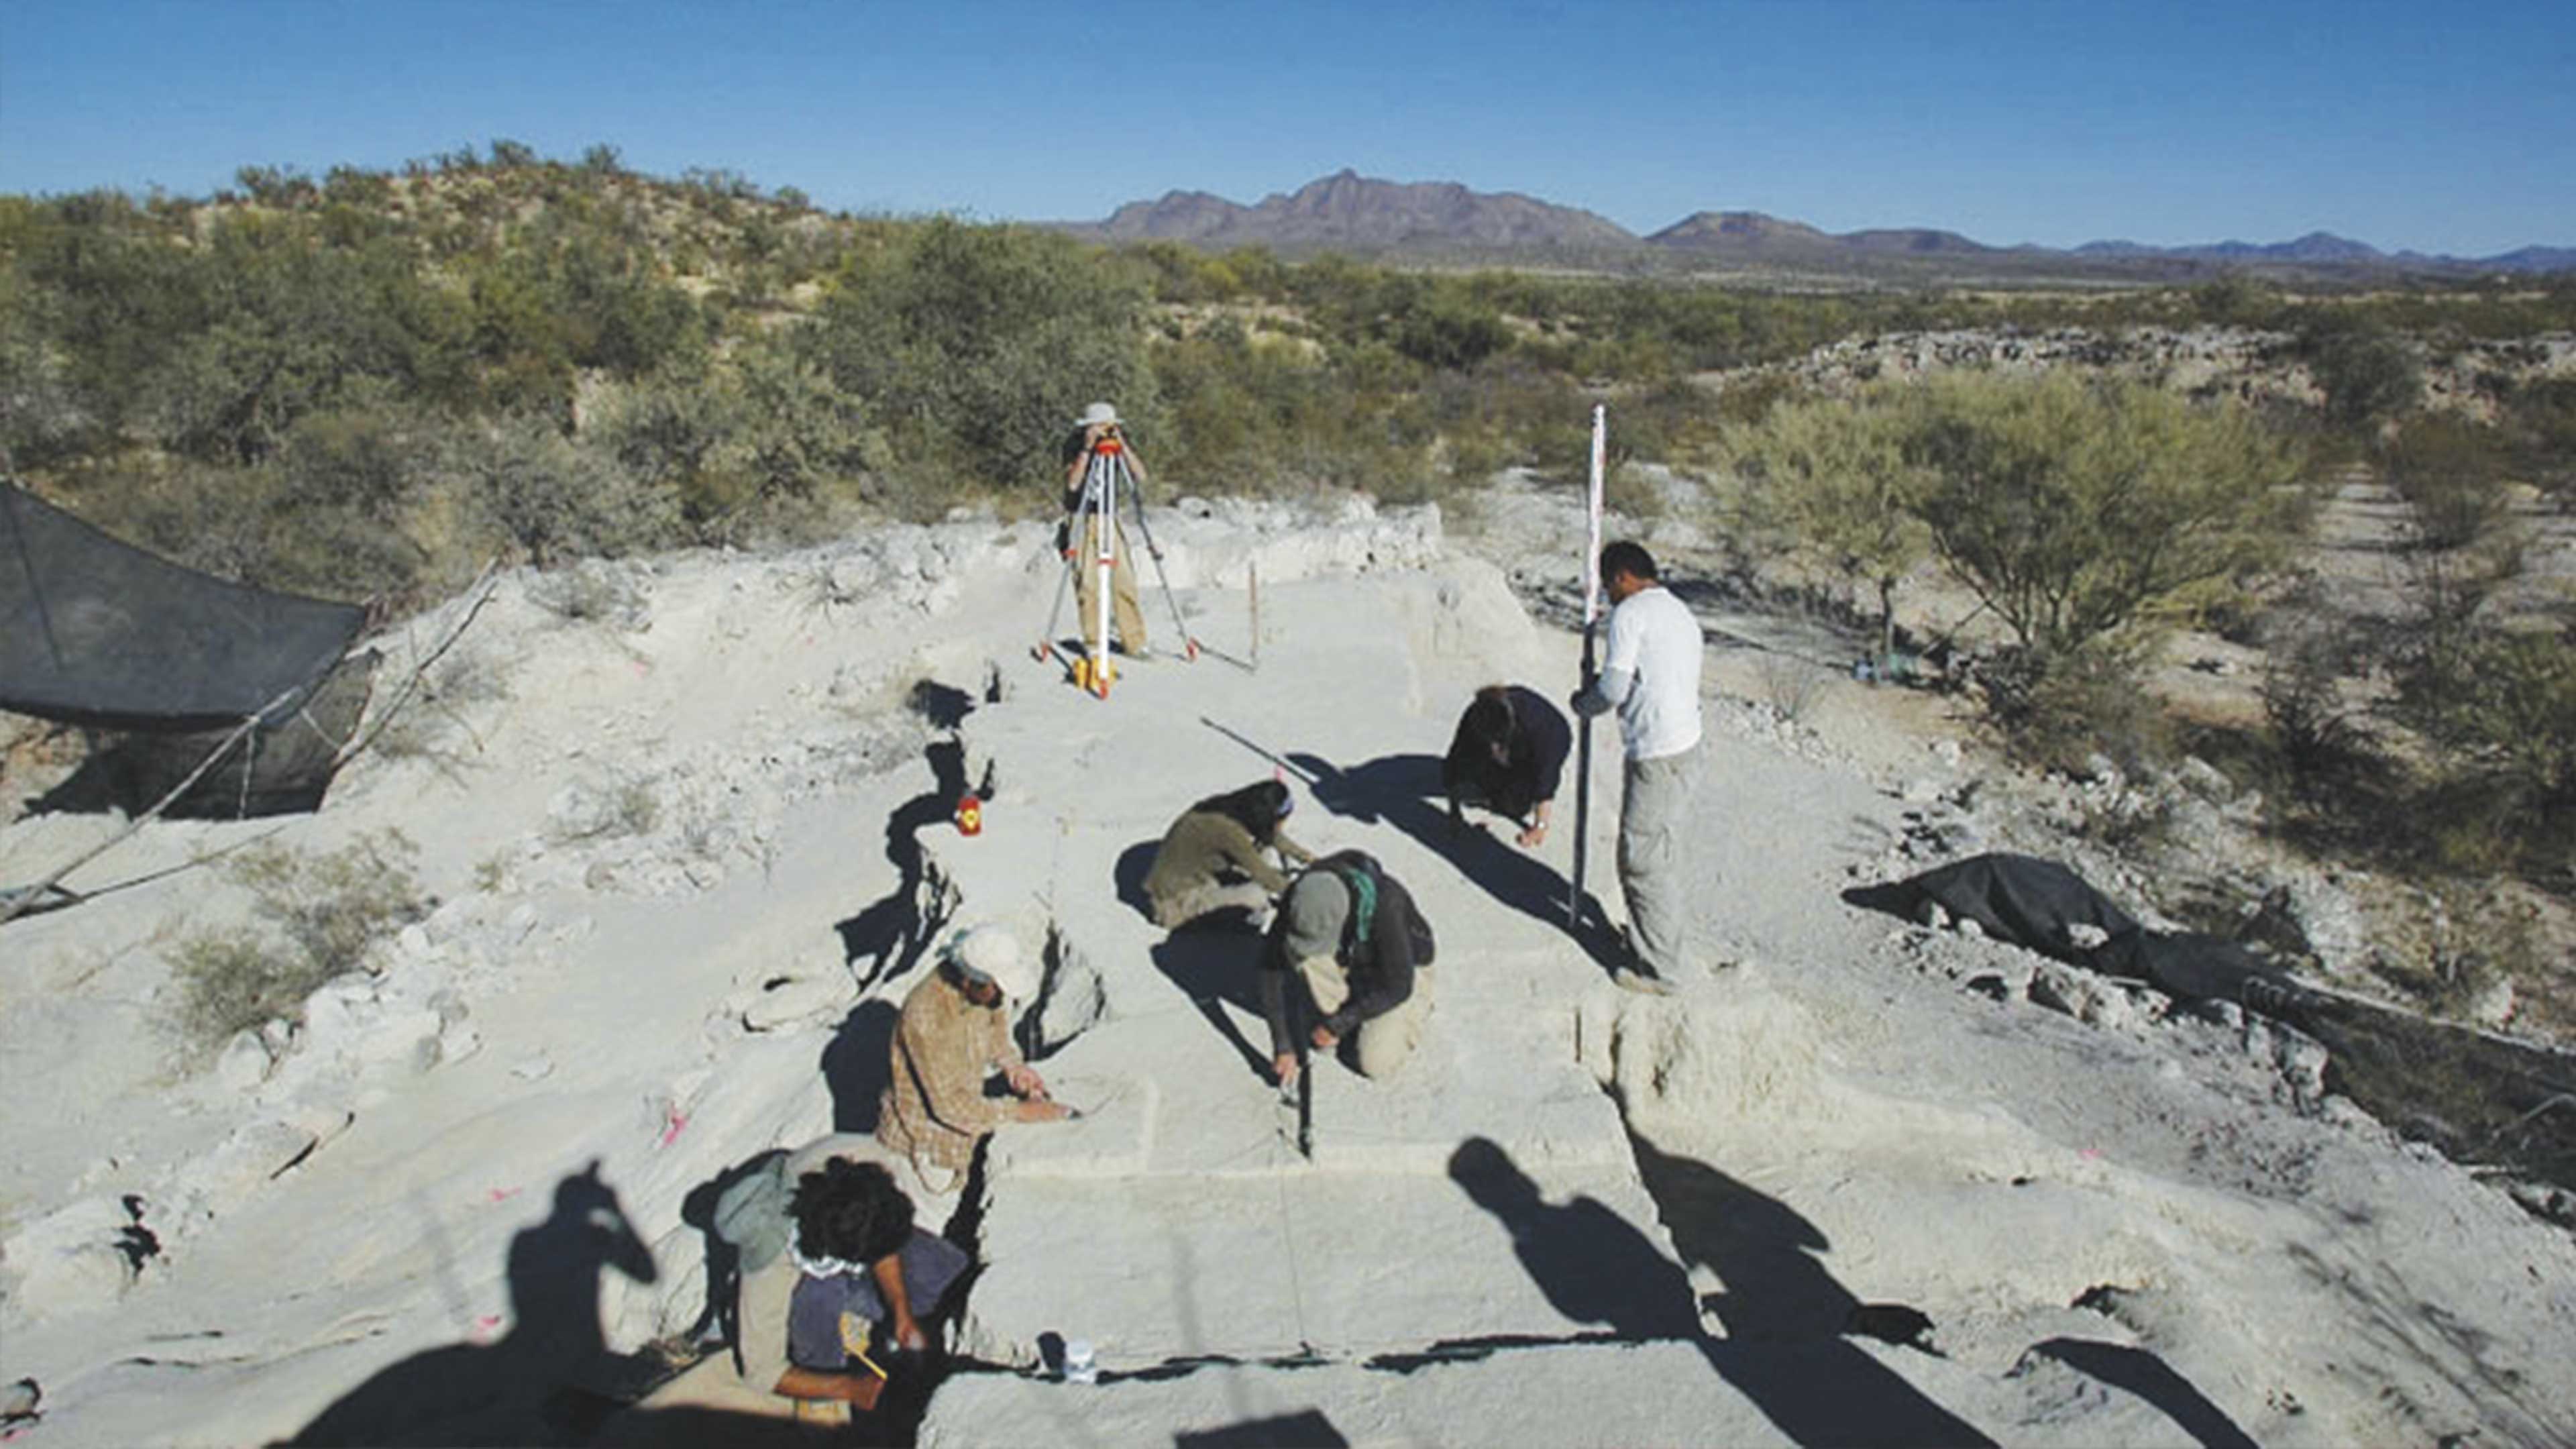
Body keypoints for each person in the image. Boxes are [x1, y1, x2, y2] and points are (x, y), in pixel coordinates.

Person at [1570, 541, 1704, 993]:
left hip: (1658, 753)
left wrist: (1583, 703)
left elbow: (1612, 689)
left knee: (1642, 861)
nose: (1608, 596)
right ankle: (1656, 940)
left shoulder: (1632, 614)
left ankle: (1662, 970)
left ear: (1624, 577)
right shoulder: (1679, 612)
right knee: (1660, 854)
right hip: (1686, 746)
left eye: (1609, 586)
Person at [877, 926, 1069, 1190]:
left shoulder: (987, 995)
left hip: (962, 1129)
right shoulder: (926, 1015)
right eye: (997, 990)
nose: (1001, 998)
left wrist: (1014, 1068)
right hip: (922, 1146)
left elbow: (996, 1035)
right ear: (969, 981)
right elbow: (949, 1106)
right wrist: (1020, 1111)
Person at [776, 1159, 969, 1413]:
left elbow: (882, 1240)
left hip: (848, 1240)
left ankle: (891, 1323)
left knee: (948, 1270)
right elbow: (761, 1371)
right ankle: (824, 1377)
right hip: (810, 1276)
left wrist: (902, 1311)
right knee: (818, 1299)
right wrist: (847, 1388)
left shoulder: (863, 1174)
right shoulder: (769, 1266)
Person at [1263, 851, 1436, 1086]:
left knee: (1375, 1062)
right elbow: (1270, 965)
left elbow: (1398, 987)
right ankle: (1344, 1004)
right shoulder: (1304, 894)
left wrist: (1339, 1024)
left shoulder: (1386, 906)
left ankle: (1419, 1005)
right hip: (1354, 959)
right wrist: (1282, 1045)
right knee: (1300, 953)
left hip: (1402, 973)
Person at [1142, 779, 1316, 930]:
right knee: (1256, 897)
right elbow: (1263, 874)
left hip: (1195, 875)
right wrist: (1304, 899)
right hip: (1172, 903)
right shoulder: (1227, 832)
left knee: (1264, 851)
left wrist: (1304, 856)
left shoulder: (1230, 807)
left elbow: (1271, 835)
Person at [1061, 401, 1150, 661]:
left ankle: (1135, 641)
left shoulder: (1117, 447)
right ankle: (1093, 643)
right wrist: (1088, 450)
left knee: (1125, 582)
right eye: (1100, 427)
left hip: (1109, 517)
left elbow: (1141, 476)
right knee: (1088, 584)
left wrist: (1123, 447)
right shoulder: (1074, 445)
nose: (1105, 433)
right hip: (1082, 516)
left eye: (1109, 427)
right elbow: (1074, 483)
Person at [1442, 684, 1573, 849]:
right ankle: (1497, 780)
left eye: (1499, 744)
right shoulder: (1476, 714)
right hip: (1510, 742)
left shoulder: (1544, 732)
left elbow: (1546, 780)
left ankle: (1516, 790)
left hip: (1543, 742)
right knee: (1471, 777)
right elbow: (1456, 756)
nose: (1495, 748)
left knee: (1515, 806)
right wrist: (1454, 812)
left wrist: (1539, 827)